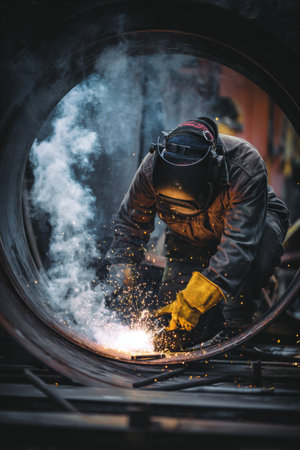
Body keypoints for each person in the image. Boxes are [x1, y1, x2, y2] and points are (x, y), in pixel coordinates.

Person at [104, 117, 289, 349]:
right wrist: (123, 269)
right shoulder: (152, 167)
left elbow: (238, 247)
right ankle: (209, 323)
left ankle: (236, 323)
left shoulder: (245, 166)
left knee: (263, 244)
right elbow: (130, 224)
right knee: (172, 328)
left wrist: (194, 302)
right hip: (187, 236)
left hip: (250, 228)